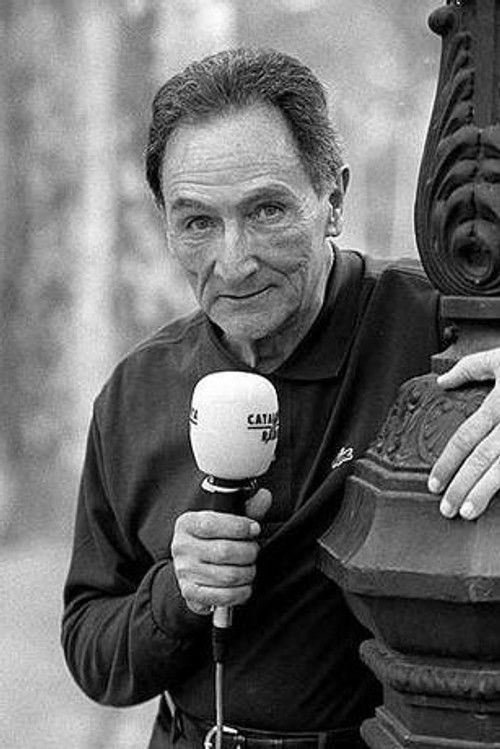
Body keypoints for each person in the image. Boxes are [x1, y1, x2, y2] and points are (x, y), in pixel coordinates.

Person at [61, 48, 500, 748]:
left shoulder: (440, 326)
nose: (234, 263)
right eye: (197, 222)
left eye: (266, 210)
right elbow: (93, 652)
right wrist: (176, 593)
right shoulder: (134, 394)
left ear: (333, 200)